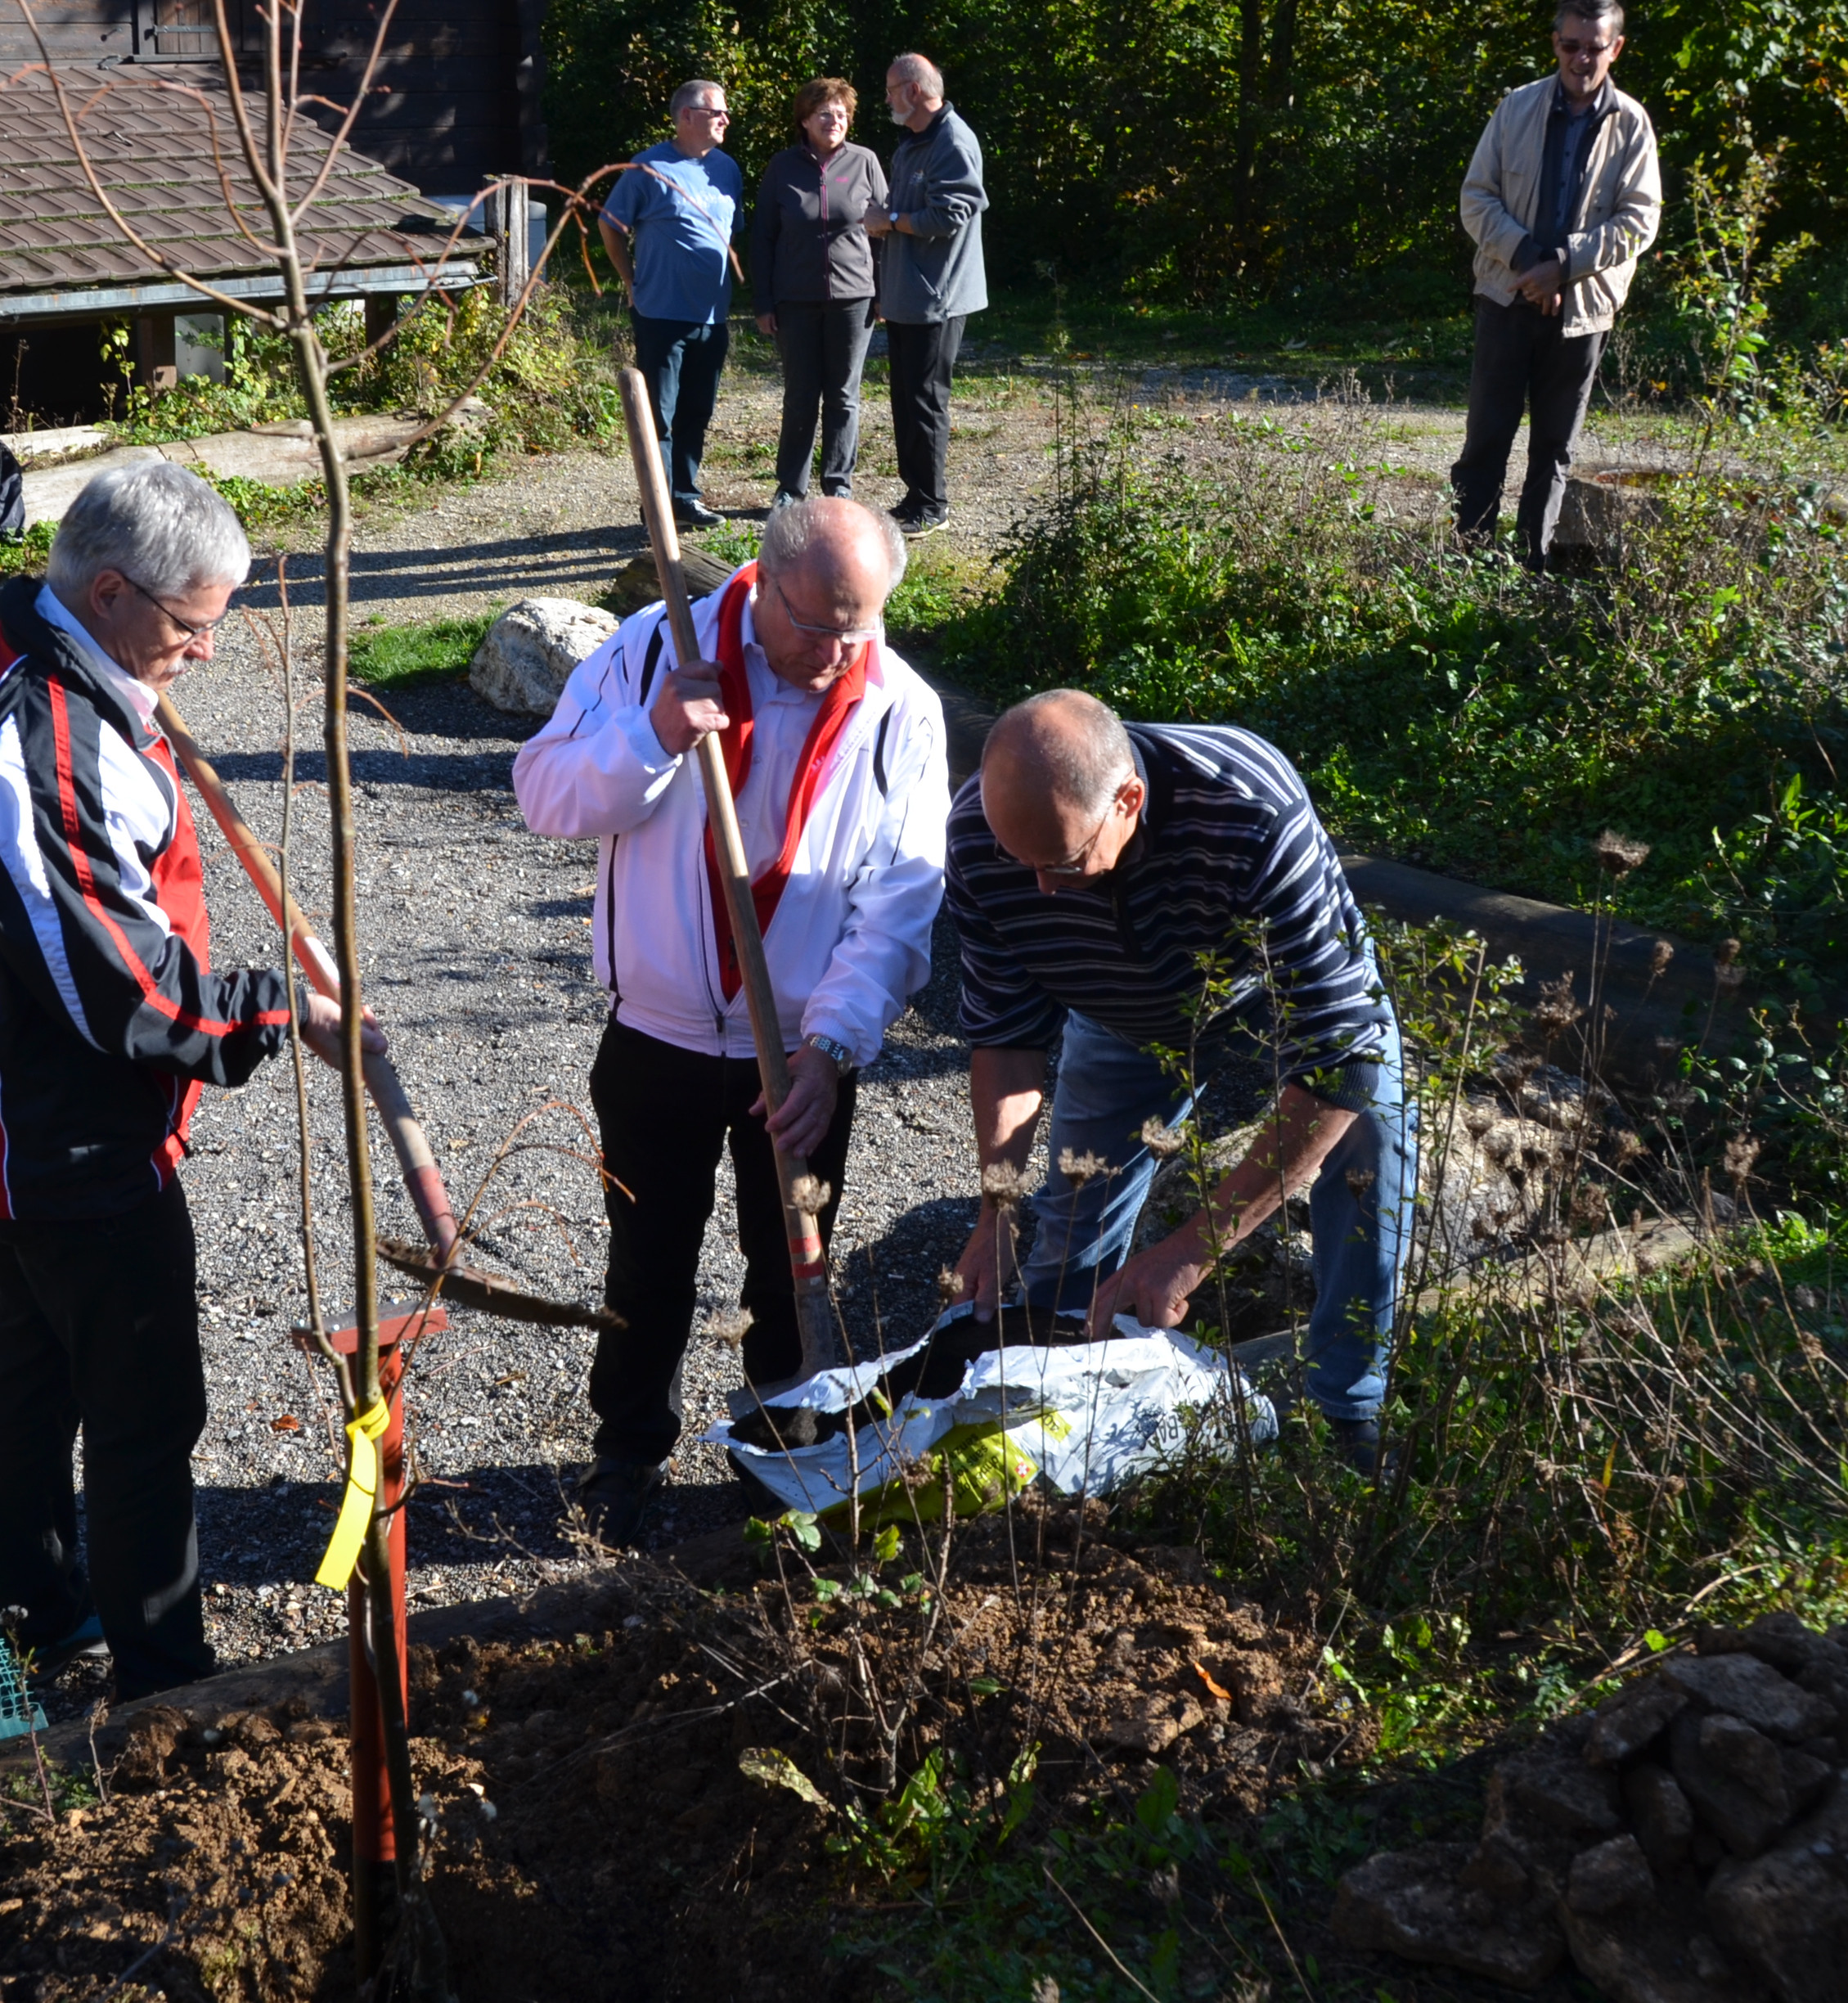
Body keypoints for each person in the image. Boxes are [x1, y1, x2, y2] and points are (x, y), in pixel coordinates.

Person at [0, 459, 375, 1697]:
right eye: (190, 624)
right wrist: (283, 1008)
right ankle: (164, 1681)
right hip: (67, 1135)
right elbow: (133, 997)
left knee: (34, 1358)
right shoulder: (47, 745)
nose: (207, 651)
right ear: (108, 591)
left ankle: (33, 1606)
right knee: (144, 1412)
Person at [514, 497, 949, 1545]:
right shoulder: (654, 649)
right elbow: (544, 793)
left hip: (799, 1054)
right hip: (655, 1033)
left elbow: (901, 899)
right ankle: (628, 1453)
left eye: (860, 627)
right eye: (817, 626)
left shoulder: (899, 705)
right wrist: (653, 737)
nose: (838, 653)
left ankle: (778, 1456)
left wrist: (832, 1046)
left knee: (790, 1263)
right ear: (764, 584)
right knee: (647, 1259)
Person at [944, 691, 1412, 1471]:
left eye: (1062, 863)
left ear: (1128, 800)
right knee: (1068, 1235)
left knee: (1371, 1145)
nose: (1042, 891)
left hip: (1268, 997)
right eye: (1017, 861)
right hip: (1120, 1016)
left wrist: (1193, 1250)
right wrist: (997, 1209)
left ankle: (1348, 1411)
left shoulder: (1246, 807)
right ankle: (1056, 1420)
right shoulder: (978, 834)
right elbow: (1006, 1038)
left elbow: (1341, 1058)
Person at [1452, 0, 1664, 565]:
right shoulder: (1516, 108)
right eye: (1571, 45)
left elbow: (1639, 221)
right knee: (1486, 442)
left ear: (1616, 48)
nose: (1581, 58)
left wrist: (1564, 267)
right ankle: (1469, 566)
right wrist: (1529, 263)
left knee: (1553, 450)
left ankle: (1531, 571)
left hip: (1583, 312)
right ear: (1555, 43)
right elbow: (1476, 198)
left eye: (1595, 47)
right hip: (1506, 296)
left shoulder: (1632, 124)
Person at [600, 79, 747, 531]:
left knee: (696, 412)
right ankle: (657, 510)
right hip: (661, 313)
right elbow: (610, 224)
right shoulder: (648, 168)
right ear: (687, 116)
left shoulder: (726, 169)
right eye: (717, 112)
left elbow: (731, 232)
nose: (725, 120)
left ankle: (684, 497)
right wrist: (630, 279)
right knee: (658, 417)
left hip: (712, 315)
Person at [749, 79, 889, 506]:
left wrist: (883, 292)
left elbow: (885, 233)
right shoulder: (782, 167)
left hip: (854, 298)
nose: (835, 121)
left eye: (842, 114)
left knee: (844, 394)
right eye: (825, 113)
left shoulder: (865, 162)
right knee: (801, 394)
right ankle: (791, 488)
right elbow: (763, 238)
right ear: (806, 120)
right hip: (795, 299)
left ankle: (837, 484)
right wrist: (763, 302)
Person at [875, 55, 987, 539]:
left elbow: (951, 215)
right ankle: (915, 495)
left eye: (890, 90)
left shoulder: (952, 141)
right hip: (905, 295)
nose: (886, 100)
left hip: (937, 298)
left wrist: (889, 221)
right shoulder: (910, 143)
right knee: (905, 400)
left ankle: (932, 504)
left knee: (925, 401)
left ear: (913, 91)